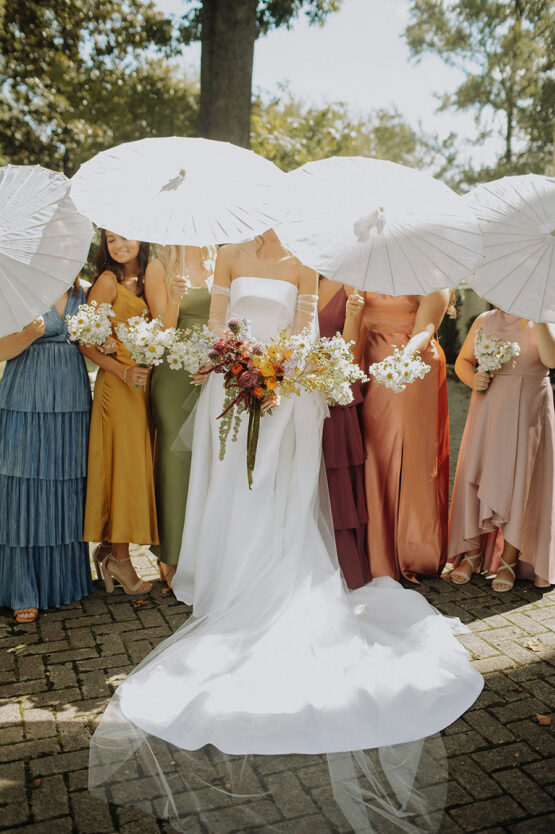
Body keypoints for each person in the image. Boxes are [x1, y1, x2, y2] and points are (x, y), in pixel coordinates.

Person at [88, 231, 482, 832]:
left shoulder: (303, 262)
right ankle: (227, 576)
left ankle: (272, 575)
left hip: (286, 388)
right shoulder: (232, 256)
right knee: (232, 489)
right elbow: (220, 318)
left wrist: (279, 372)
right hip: (233, 379)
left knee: (278, 491)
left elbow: (304, 328)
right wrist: (234, 361)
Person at [0, 285, 92, 623]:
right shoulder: (17, 287)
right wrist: (27, 335)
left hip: (72, 397)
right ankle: (21, 586)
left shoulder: (86, 291)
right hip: (27, 393)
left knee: (66, 486)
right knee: (23, 486)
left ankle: (63, 580)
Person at [449, 309, 555, 591]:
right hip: (487, 408)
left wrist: (542, 315)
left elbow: (551, 360)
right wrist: (474, 379)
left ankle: (510, 558)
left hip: (528, 410)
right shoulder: (483, 319)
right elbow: (462, 362)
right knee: (478, 474)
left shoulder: (545, 320)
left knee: (519, 481)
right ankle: (472, 553)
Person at [82, 230, 157, 595]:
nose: (118, 245)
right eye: (111, 240)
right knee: (122, 469)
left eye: (125, 237)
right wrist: (122, 370)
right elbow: (85, 342)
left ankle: (112, 552)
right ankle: (121, 563)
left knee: (136, 467)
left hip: (144, 389)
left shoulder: (150, 278)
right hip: (118, 388)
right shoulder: (108, 281)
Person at [359, 291, 452, 582]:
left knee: (404, 453)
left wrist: (403, 357)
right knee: (370, 451)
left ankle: (409, 549)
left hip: (407, 365)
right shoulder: (368, 268)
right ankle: (371, 547)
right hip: (366, 356)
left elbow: (425, 329)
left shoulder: (435, 281)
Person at [145, 246, 212, 586]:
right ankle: (170, 554)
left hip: (212, 374)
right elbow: (161, 331)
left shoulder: (217, 262)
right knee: (175, 460)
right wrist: (173, 298)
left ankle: (205, 553)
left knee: (207, 460)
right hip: (173, 376)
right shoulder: (159, 267)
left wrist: (217, 362)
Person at [318, 276, 369, 589]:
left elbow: (350, 352)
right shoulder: (298, 272)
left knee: (332, 477)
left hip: (330, 389)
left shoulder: (351, 284)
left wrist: (352, 314)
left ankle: (339, 565)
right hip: (291, 383)